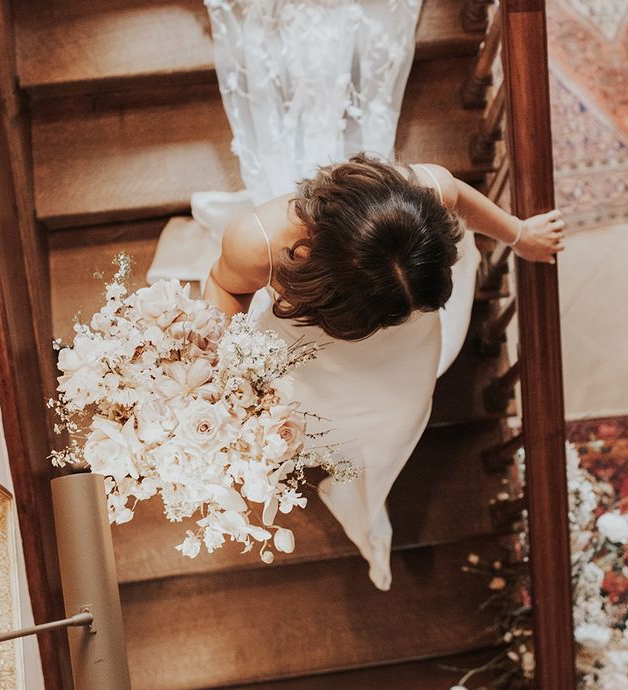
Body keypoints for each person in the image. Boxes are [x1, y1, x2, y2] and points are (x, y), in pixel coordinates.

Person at [203, 153, 565, 589]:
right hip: (306, 347)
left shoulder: (426, 191)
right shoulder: (256, 242)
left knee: (393, 419)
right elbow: (226, 288)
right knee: (310, 415)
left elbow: (459, 196)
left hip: (408, 352)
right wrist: (228, 373)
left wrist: (519, 233)